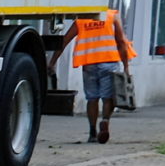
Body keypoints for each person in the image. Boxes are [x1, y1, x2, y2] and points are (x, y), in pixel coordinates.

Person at [53, 9, 135, 143]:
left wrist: (52, 62)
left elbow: (64, 41)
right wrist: (126, 66)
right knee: (108, 97)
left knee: (92, 98)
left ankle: (92, 132)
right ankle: (105, 120)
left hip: (89, 64)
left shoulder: (81, 19)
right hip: (109, 62)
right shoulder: (111, 16)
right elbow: (121, 42)